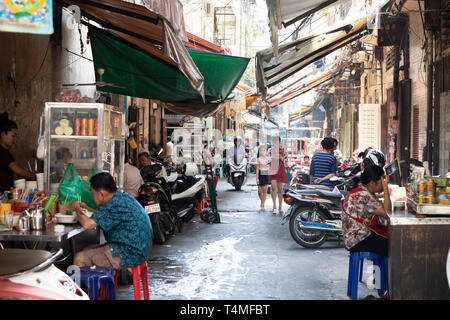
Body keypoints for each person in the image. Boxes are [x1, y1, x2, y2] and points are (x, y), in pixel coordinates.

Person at [68, 172, 153, 269]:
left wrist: (76, 208)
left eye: (92, 193)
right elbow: (105, 214)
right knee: (86, 249)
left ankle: (83, 284)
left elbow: (87, 224)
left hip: (129, 254)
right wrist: (86, 207)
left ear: (101, 194)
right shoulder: (121, 197)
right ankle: (97, 283)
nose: (92, 196)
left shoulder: (113, 204)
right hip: (140, 249)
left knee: (79, 258)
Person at [341, 165, 391, 257]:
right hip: (358, 240)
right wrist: (386, 189)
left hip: (353, 238)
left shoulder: (361, 191)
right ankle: (386, 271)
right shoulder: (364, 196)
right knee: (393, 245)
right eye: (381, 182)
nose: (382, 184)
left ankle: (381, 270)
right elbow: (387, 213)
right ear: (372, 183)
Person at [0, 112, 36, 192]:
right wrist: (36, 176)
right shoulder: (2, 152)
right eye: (13, 135)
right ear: (3, 134)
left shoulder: (5, 152)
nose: (14, 139)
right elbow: (19, 171)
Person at [268, 136, 289, 214]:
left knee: (280, 190)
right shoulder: (271, 150)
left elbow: (285, 160)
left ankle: (280, 207)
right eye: (275, 142)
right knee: (273, 188)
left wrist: (282, 157)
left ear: (280, 142)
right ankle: (274, 206)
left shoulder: (283, 150)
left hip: (281, 171)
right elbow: (269, 159)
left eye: (277, 142)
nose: (276, 144)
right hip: (273, 170)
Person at [256, 146, 270, 211]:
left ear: (266, 151)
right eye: (261, 151)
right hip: (260, 173)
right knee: (259, 192)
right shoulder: (258, 159)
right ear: (259, 152)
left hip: (266, 174)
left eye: (264, 151)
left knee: (265, 190)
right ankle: (262, 202)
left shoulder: (268, 159)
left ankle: (263, 205)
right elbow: (257, 169)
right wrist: (257, 178)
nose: (263, 152)